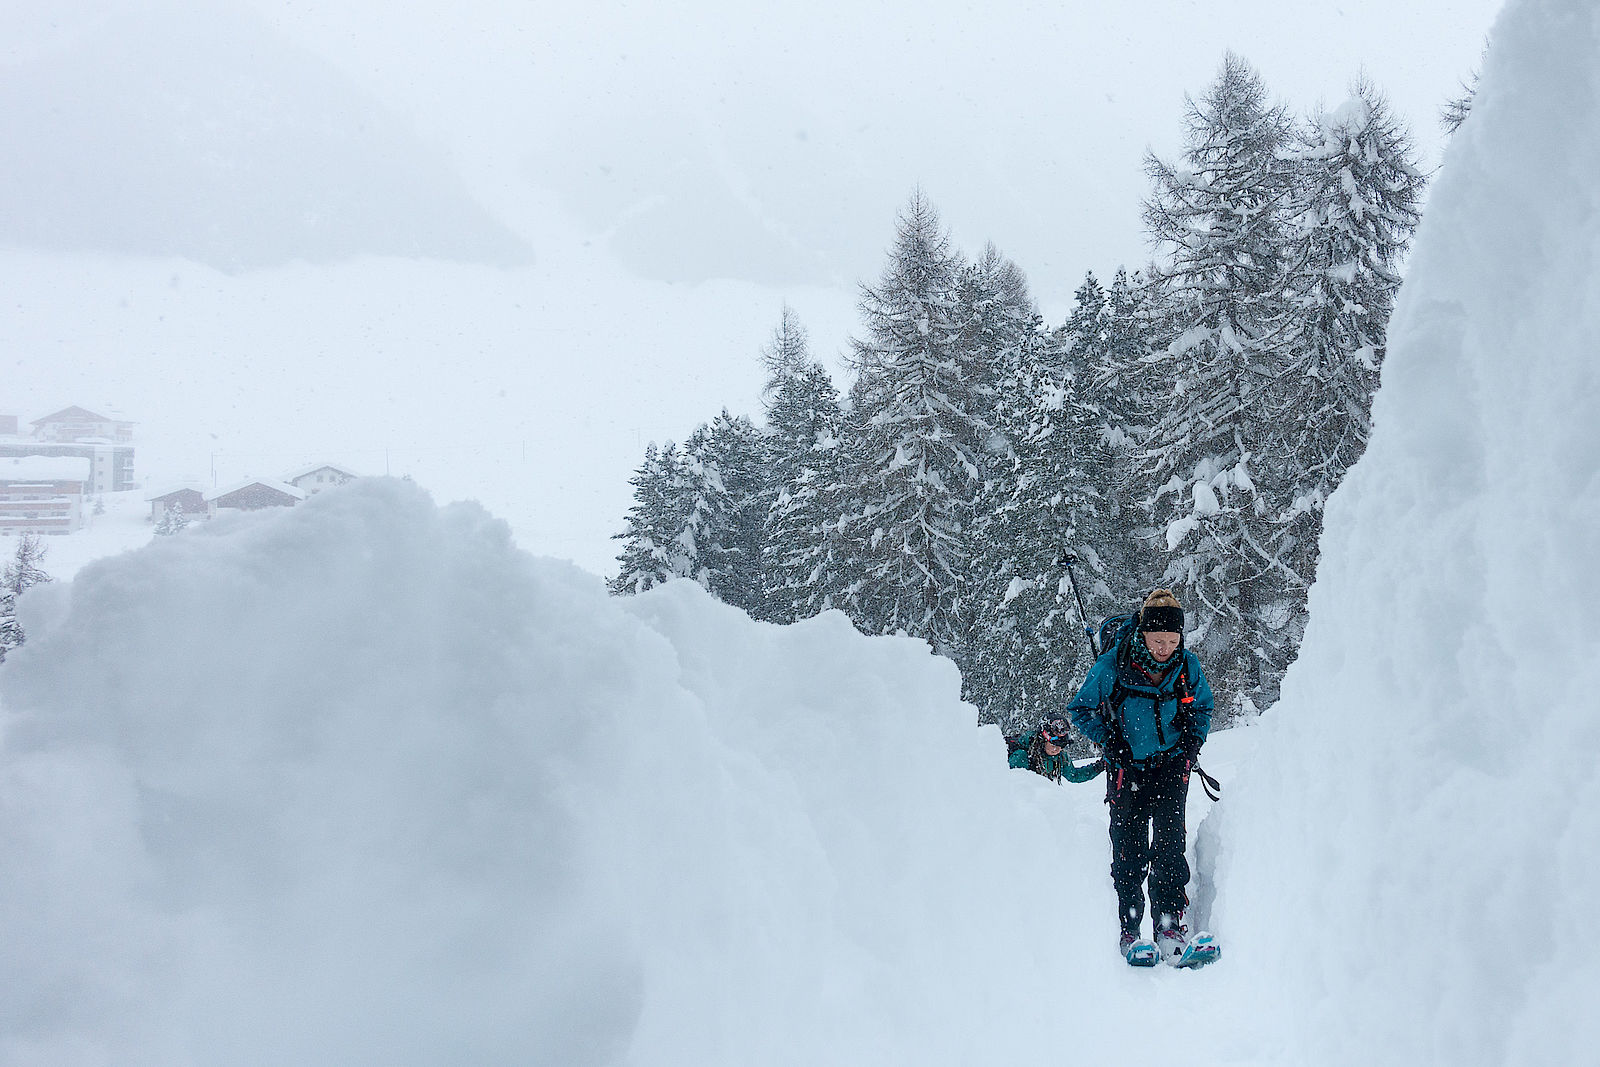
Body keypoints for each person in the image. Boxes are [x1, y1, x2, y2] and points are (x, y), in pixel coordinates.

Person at [1066, 589, 1214, 965]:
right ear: (1143, 634)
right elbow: (1080, 710)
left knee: (1168, 846)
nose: (1165, 647)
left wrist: (1192, 743)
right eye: (1157, 639)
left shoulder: (1187, 665)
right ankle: (1129, 928)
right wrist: (1109, 739)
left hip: (1170, 766)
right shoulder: (1113, 665)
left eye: (1172, 640)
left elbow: (1203, 707)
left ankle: (1168, 924)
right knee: (1129, 850)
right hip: (1125, 768)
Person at [1008, 716, 1105, 783]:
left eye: (1061, 746)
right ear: (1043, 740)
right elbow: (1014, 784)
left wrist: (1099, 767)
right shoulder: (1021, 756)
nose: (1056, 749)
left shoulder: (1060, 757)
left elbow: (1074, 775)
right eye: (1053, 744)